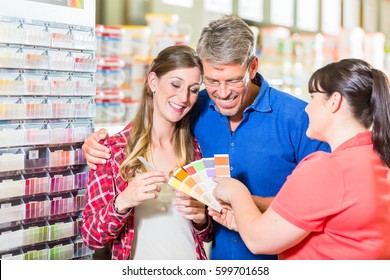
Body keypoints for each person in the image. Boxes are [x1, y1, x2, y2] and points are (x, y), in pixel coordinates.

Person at [82, 16, 329, 260]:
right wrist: (96, 143)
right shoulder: (195, 107)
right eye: (211, 81)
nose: (222, 93)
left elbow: (321, 202)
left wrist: (241, 200)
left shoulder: (298, 119)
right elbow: (150, 124)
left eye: (233, 80)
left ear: (253, 67)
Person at [211, 58, 390, 259]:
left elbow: (258, 241)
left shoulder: (326, 169)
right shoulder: (377, 158)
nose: (307, 108)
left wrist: (235, 191)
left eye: (312, 97)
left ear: (334, 101)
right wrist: (244, 223)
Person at [81, 45, 213, 260]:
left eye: (193, 89)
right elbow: (91, 236)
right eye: (175, 84)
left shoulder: (195, 150)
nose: (183, 97)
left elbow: (206, 234)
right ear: (153, 82)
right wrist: (123, 201)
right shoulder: (112, 151)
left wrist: (202, 219)